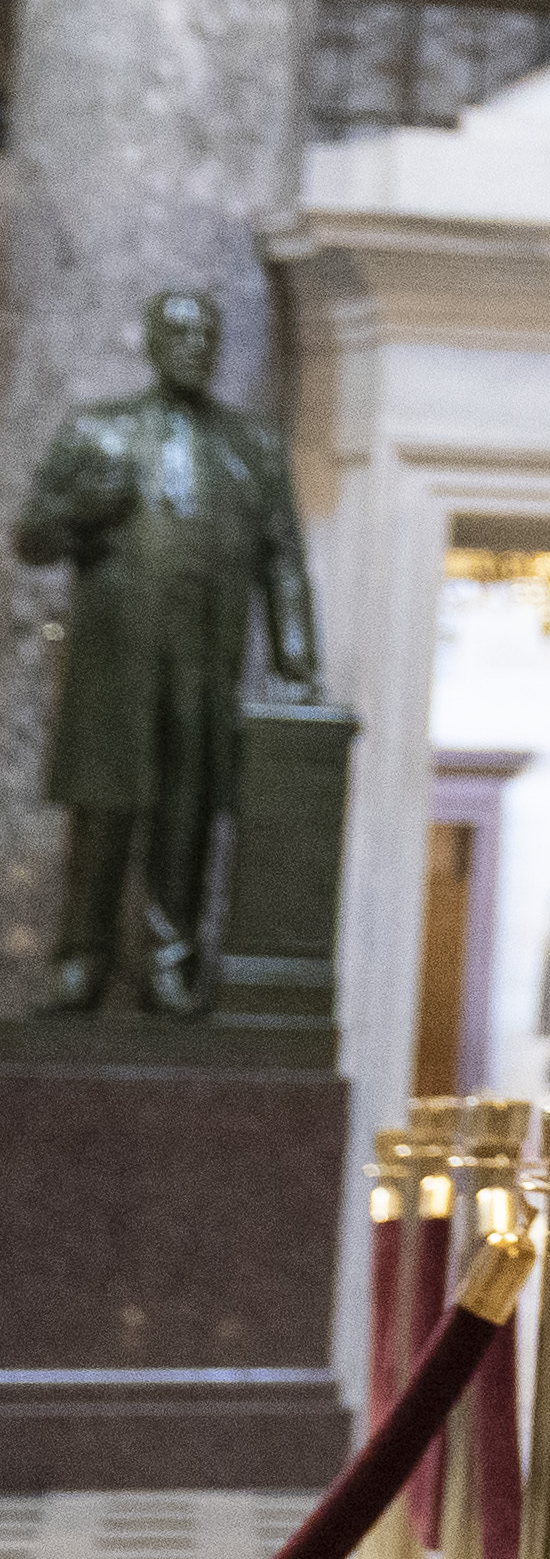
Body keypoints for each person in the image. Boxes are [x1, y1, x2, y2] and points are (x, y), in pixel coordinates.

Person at [16, 286, 323, 1019]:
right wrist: (84, 507)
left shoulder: (251, 448)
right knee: (103, 811)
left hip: (204, 664)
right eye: (179, 333)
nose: (194, 346)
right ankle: (80, 961)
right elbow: (33, 537)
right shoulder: (100, 432)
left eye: (206, 335)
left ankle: (170, 961)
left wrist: (296, 660)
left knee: (186, 815)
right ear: (152, 342)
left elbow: (282, 560)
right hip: (115, 665)